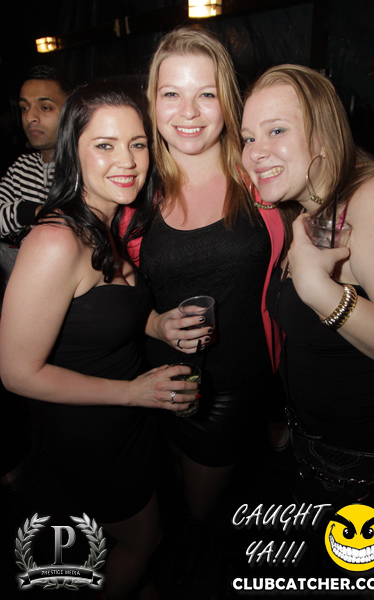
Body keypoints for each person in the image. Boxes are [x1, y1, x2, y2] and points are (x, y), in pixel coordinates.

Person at [0, 80, 201, 600]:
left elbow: (98, 313)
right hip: (93, 428)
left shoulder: (107, 221)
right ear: (74, 151)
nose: (127, 160)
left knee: (135, 536)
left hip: (129, 416)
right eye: (105, 145)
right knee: (145, 539)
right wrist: (133, 392)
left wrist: (157, 324)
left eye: (137, 143)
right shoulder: (55, 240)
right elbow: (17, 373)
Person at [121, 25, 285, 582]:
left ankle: (198, 564)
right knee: (160, 488)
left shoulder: (261, 176)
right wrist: (152, 322)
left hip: (236, 384)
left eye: (206, 93)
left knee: (199, 506)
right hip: (153, 381)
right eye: (171, 93)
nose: (188, 111)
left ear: (227, 102)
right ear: (152, 102)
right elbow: (106, 290)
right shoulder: (133, 191)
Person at [241, 64, 374, 559]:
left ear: (324, 135)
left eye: (277, 130)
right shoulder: (308, 211)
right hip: (318, 463)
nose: (255, 151)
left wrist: (319, 292)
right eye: (248, 137)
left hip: (372, 482)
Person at [0, 65, 71, 305]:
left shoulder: (86, 166)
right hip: (22, 292)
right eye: (24, 108)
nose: (30, 117)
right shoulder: (21, 167)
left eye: (45, 107)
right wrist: (29, 211)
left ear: (71, 111)